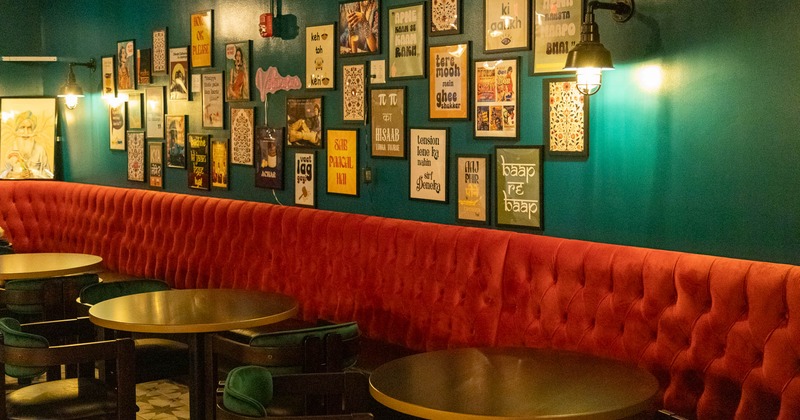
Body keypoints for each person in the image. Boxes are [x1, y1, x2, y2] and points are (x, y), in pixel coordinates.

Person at [1, 111, 53, 179]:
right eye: (22, 127)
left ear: (33, 130)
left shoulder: (40, 150)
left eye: (29, 128)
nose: (26, 132)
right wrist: (17, 175)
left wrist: (33, 175)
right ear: (17, 130)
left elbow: (49, 175)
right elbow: (2, 175)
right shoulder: (10, 151)